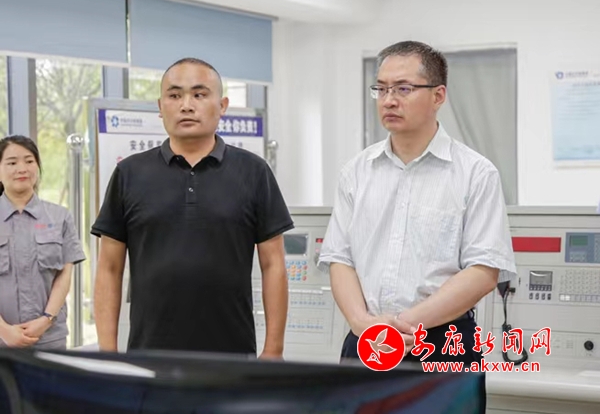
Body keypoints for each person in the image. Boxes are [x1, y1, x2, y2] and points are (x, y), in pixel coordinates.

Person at [318, 40, 517, 371]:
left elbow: (483, 270)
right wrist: (361, 322)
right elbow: (339, 258)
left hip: (442, 343)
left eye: (403, 89)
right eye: (381, 89)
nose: (389, 100)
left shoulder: (475, 173)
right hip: (366, 339)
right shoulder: (356, 171)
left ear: (438, 96)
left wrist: (402, 326)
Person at [91, 57, 293, 358]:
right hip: (149, 356)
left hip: (233, 357)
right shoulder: (129, 174)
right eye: (174, 95)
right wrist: (107, 353)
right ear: (160, 107)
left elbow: (273, 264)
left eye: (199, 94)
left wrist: (273, 350)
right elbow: (109, 268)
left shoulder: (254, 172)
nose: (186, 105)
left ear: (222, 105)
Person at [0, 135, 86, 350]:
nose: (22, 169)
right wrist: (4, 330)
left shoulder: (60, 217)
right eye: (12, 163)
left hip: (49, 338)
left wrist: (46, 320)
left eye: (29, 161)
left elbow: (64, 275)